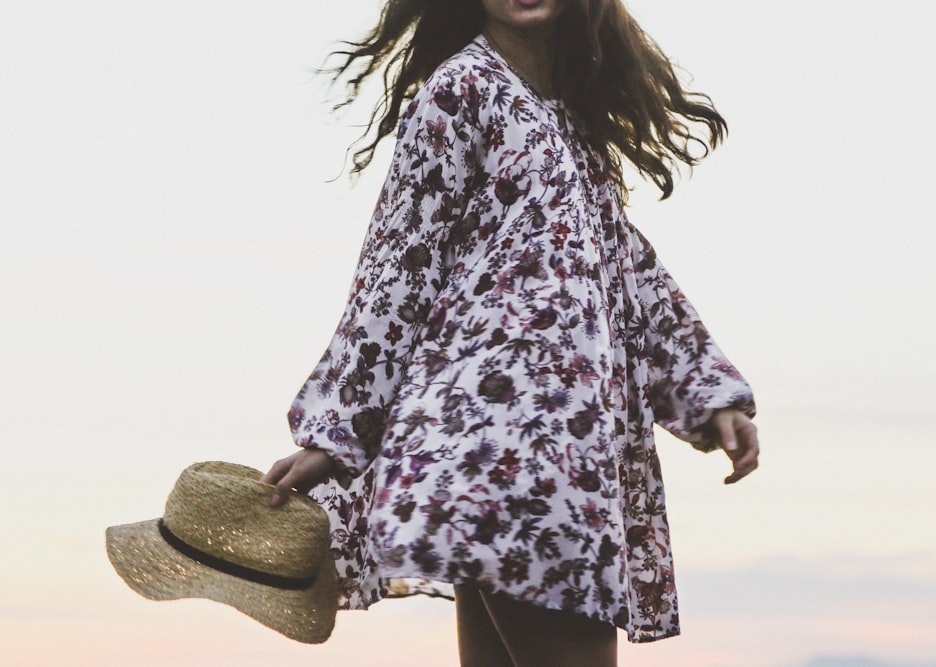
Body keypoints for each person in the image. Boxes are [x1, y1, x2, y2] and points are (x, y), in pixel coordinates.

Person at [262, 1, 759, 665]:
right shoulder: (460, 90)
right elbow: (400, 262)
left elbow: (624, 268)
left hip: (560, 454)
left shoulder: (570, 116)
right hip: (505, 455)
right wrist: (337, 430)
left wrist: (709, 391)